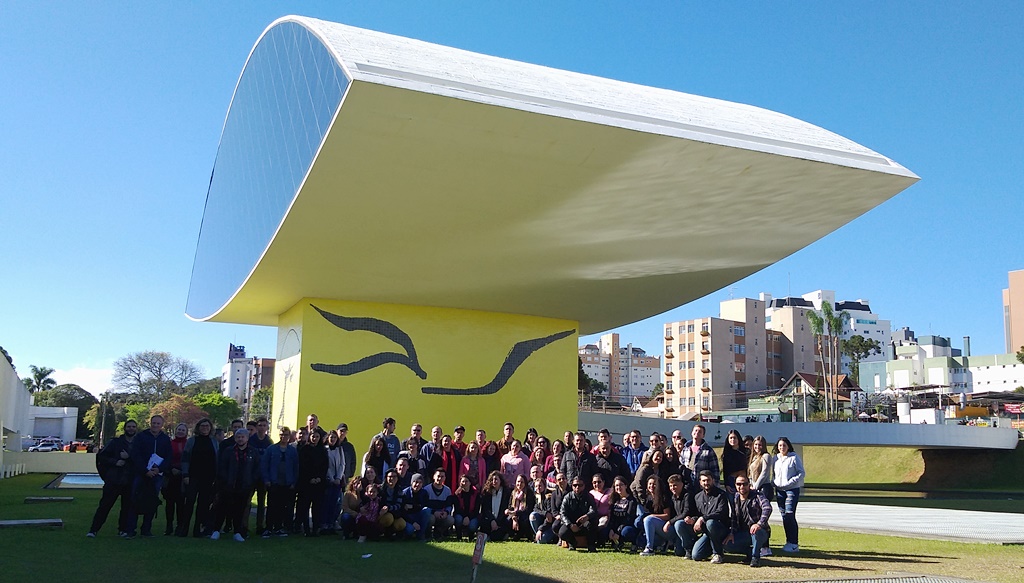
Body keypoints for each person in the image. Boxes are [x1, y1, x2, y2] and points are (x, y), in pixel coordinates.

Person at [87, 420, 137, 538]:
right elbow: (102, 457)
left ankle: (122, 530)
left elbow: (140, 461)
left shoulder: (138, 444)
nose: (131, 429)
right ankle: (93, 530)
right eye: (129, 426)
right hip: (114, 480)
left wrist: (128, 458)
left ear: (136, 429)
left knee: (126, 508)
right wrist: (115, 462)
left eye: (133, 427)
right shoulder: (115, 442)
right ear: (125, 428)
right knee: (105, 506)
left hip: (129, 481)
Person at [210, 428, 261, 542]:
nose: (240, 439)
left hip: (244, 486)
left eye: (243, 437)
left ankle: (237, 532)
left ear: (247, 438)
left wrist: (251, 481)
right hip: (228, 485)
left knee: (240, 509)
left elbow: (257, 468)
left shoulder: (253, 452)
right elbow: (222, 467)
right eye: (238, 437)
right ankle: (216, 530)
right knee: (222, 508)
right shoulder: (228, 451)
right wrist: (224, 481)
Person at [130, 415, 172, 537]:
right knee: (134, 500)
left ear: (162, 425)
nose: (155, 425)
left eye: (158, 423)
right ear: (150, 423)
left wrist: (159, 469)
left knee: (152, 501)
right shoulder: (141, 436)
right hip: (141, 473)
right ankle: (131, 529)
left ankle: (146, 529)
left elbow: (168, 456)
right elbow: (135, 454)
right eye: (154, 423)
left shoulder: (165, 439)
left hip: (157, 475)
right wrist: (144, 470)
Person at [724, 476, 771, 567]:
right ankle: (750, 553)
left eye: (744, 484)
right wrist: (731, 533)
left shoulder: (758, 495)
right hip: (743, 532)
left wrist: (759, 524)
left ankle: (755, 558)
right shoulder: (736, 497)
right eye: (739, 484)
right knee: (727, 545)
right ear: (735, 485)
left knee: (756, 532)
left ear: (749, 485)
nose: (742, 486)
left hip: (760, 531)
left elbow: (767, 508)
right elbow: (734, 517)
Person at [261, 425, 298, 537]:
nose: (284, 437)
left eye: (286, 435)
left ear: (289, 436)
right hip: (273, 482)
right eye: (282, 435)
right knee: (271, 506)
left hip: (287, 483)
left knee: (282, 507)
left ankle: (278, 527)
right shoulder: (271, 449)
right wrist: (266, 479)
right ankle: (268, 528)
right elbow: (264, 465)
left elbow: (296, 467)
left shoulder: (292, 451)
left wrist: (293, 482)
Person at [691, 470, 732, 563]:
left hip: (720, 529)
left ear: (713, 480)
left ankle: (718, 554)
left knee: (710, 523)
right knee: (696, 555)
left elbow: (721, 513)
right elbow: (697, 514)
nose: (706, 483)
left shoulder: (721, 495)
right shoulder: (697, 497)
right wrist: (693, 519)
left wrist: (703, 518)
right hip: (707, 532)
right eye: (704, 481)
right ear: (700, 482)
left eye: (708, 480)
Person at [772, 436, 805, 553]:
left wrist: (791, 482)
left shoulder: (794, 457)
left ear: (788, 446)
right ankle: (788, 542)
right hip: (779, 490)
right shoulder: (775, 458)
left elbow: (801, 473)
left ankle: (794, 543)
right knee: (784, 516)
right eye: (780, 446)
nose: (782, 448)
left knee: (790, 514)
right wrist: (774, 482)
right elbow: (774, 474)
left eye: (784, 445)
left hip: (791, 489)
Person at [296, 429, 328, 536]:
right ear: (310, 437)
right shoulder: (304, 449)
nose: (315, 439)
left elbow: (325, 466)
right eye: (313, 436)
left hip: (319, 483)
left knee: (317, 508)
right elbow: (302, 466)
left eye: (317, 437)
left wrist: (319, 478)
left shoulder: (323, 450)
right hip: (306, 483)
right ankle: (306, 529)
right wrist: (310, 478)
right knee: (304, 507)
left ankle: (315, 529)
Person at [558, 476, 598, 552]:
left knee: (593, 523)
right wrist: (570, 524)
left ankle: (591, 545)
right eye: (575, 485)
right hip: (572, 523)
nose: (577, 487)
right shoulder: (567, 497)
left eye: (580, 485)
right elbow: (562, 513)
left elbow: (594, 510)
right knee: (562, 533)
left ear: (584, 486)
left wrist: (587, 516)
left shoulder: (589, 497)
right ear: (572, 486)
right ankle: (572, 543)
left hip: (585, 523)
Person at [161, 423, 188, 536]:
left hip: (183, 477)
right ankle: (169, 526)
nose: (180, 431)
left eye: (183, 430)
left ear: (186, 432)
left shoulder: (188, 444)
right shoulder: (170, 443)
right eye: (179, 429)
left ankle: (180, 526)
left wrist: (182, 471)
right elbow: (164, 458)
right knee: (169, 503)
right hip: (170, 476)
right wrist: (170, 469)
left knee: (181, 503)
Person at [638, 475, 673, 556]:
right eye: (650, 484)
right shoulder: (648, 498)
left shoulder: (663, 498)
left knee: (648, 519)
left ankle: (649, 548)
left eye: (654, 484)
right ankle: (661, 544)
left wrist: (652, 516)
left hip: (667, 527)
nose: (651, 486)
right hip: (656, 528)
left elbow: (667, 516)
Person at [249, 417, 273, 534]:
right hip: (251, 475)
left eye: (264, 425)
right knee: (247, 501)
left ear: (267, 427)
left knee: (261, 502)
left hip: (263, 477)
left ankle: (259, 526)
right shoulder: (251, 440)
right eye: (260, 425)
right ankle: (243, 526)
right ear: (256, 427)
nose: (262, 427)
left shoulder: (269, 442)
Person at [680, 424, 719, 493]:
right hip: (687, 484)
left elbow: (715, 470)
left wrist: (714, 486)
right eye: (695, 430)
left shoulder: (708, 451)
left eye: (700, 432)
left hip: (701, 486)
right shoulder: (685, 449)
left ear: (703, 435)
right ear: (692, 433)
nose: (697, 433)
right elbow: (681, 464)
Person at [606, 475, 638, 551]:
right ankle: (616, 543)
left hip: (627, 526)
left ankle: (633, 543)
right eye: (616, 485)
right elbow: (612, 517)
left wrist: (618, 531)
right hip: (616, 525)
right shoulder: (614, 500)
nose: (619, 487)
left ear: (626, 486)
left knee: (626, 532)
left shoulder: (631, 500)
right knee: (604, 531)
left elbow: (628, 518)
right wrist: (611, 529)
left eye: (621, 485)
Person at [322, 429, 345, 533]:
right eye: (331, 437)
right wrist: (331, 478)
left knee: (336, 503)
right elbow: (325, 465)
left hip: (337, 480)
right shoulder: (325, 450)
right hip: (328, 480)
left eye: (335, 437)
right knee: (326, 502)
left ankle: (331, 523)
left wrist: (338, 478)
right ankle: (324, 524)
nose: (333, 439)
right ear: (328, 438)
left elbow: (342, 464)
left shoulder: (339, 449)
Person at [479, 471, 511, 541]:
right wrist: (492, 520)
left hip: (501, 520)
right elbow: (485, 509)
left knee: (496, 536)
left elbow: (507, 507)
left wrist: (497, 522)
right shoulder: (487, 493)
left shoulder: (506, 492)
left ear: (500, 480)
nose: (494, 481)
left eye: (496, 479)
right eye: (492, 480)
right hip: (490, 520)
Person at [425, 468, 455, 540]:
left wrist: (446, 512)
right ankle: (427, 533)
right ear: (434, 476)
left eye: (442, 477)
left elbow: (449, 505)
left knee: (450, 520)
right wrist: (434, 512)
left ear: (445, 478)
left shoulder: (447, 490)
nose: (440, 478)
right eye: (438, 476)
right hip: (431, 514)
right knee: (430, 518)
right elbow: (424, 505)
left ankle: (439, 532)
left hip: (442, 514)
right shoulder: (426, 489)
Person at [400, 473, 431, 540]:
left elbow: (424, 505)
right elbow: (402, 512)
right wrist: (413, 522)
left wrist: (413, 506)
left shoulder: (424, 493)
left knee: (427, 510)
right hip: (408, 518)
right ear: (411, 482)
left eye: (420, 482)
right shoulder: (405, 493)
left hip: (419, 515)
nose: (417, 485)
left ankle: (421, 534)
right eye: (416, 482)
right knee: (409, 530)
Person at [378, 469, 408, 538]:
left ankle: (392, 533)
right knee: (388, 518)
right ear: (386, 478)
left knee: (402, 524)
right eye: (390, 477)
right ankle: (381, 531)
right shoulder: (380, 489)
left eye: (394, 477)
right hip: (382, 513)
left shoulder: (399, 490)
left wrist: (389, 508)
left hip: (395, 513)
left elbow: (399, 505)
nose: (392, 479)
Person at [529, 477, 558, 543]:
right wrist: (545, 513)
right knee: (532, 515)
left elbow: (549, 517)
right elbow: (535, 508)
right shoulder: (537, 497)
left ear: (544, 486)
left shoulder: (549, 497)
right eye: (536, 486)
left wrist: (541, 529)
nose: (538, 488)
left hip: (551, 525)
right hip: (543, 523)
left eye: (540, 486)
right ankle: (538, 535)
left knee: (542, 540)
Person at [453, 474, 480, 540]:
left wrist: (468, 517)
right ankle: (459, 535)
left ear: (470, 483)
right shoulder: (457, 494)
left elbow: (476, 510)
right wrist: (465, 517)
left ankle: (471, 535)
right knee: (458, 519)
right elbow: (457, 509)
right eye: (463, 481)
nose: (464, 483)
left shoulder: (476, 494)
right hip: (461, 515)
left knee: (472, 525)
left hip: (472, 516)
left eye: (466, 481)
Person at [506, 474, 533, 540]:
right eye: (518, 482)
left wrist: (516, 513)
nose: (519, 484)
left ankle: (523, 534)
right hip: (514, 514)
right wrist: (513, 516)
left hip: (524, 514)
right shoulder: (513, 492)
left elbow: (528, 509)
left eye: (522, 482)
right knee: (507, 520)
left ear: (525, 483)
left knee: (523, 519)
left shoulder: (529, 493)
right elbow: (510, 506)